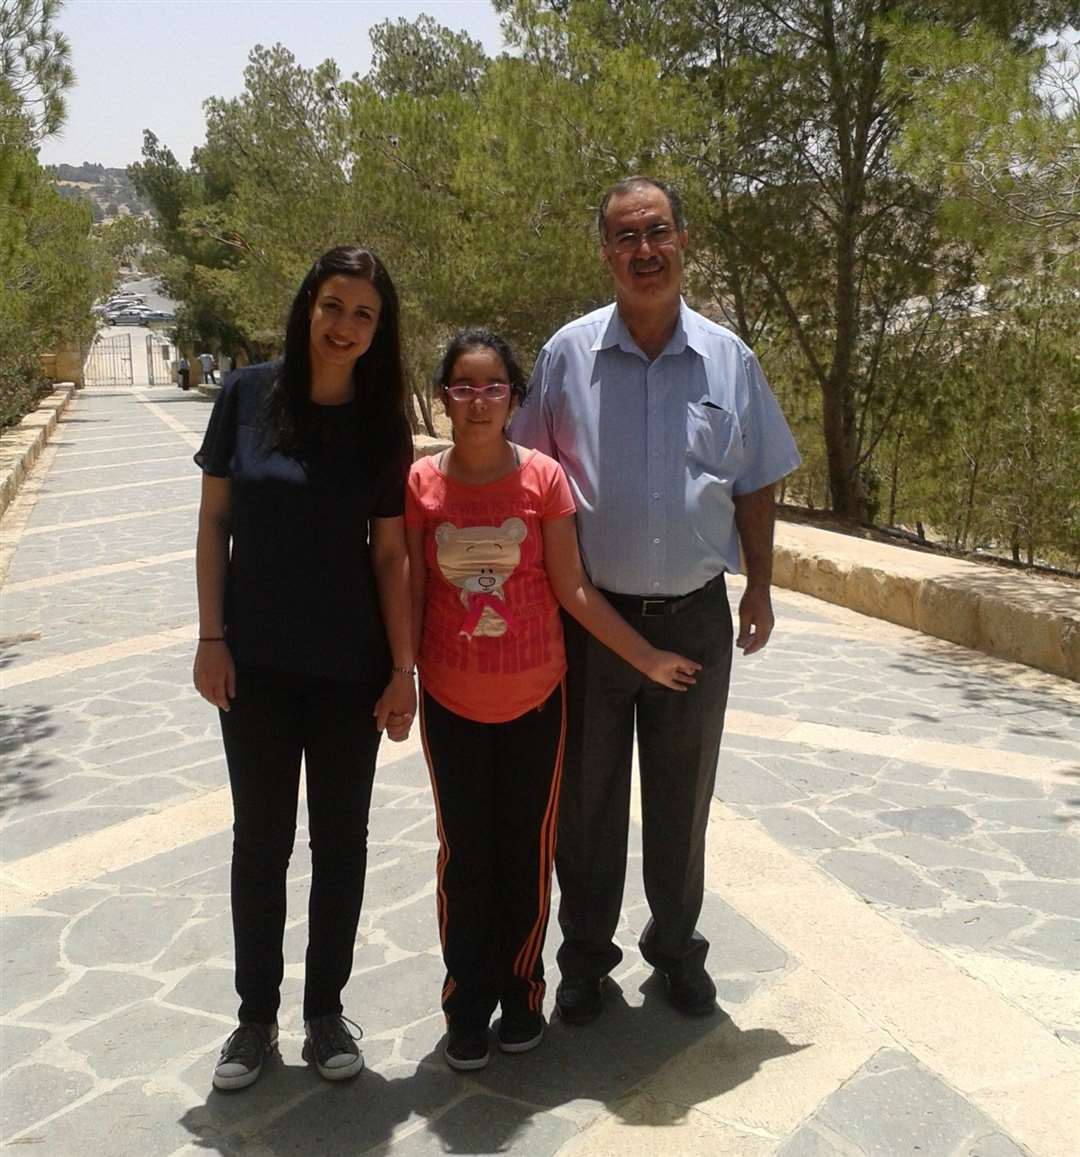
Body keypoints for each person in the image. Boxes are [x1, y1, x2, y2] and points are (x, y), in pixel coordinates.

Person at [510, 177, 801, 1024]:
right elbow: (529, 481)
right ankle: (585, 962)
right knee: (586, 807)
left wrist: (762, 587)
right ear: (604, 251)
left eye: (658, 232)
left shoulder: (728, 359)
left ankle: (676, 949)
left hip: (696, 620)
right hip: (590, 626)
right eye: (625, 237)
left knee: (683, 802)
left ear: (683, 239)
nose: (644, 251)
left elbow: (754, 483)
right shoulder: (566, 356)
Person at [405, 329, 699, 1072]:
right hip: (450, 700)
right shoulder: (421, 488)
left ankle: (522, 993)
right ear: (444, 396)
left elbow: (572, 589)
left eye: (493, 386)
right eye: (463, 386)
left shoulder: (543, 481)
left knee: (527, 855)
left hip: (538, 700)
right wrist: (397, 679)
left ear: (514, 397)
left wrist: (647, 657)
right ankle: (466, 1003)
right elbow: (410, 591)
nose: (478, 401)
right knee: (464, 857)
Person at [193, 245, 415, 1090]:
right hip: (254, 664)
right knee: (260, 841)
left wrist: (403, 668)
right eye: (333, 306)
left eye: (364, 313)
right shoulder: (247, 396)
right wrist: (212, 637)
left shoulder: (380, 422)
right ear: (307, 305)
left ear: (378, 327)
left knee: (342, 841)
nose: (346, 326)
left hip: (349, 668)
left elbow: (391, 554)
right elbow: (215, 522)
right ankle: (255, 1018)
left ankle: (325, 1009)